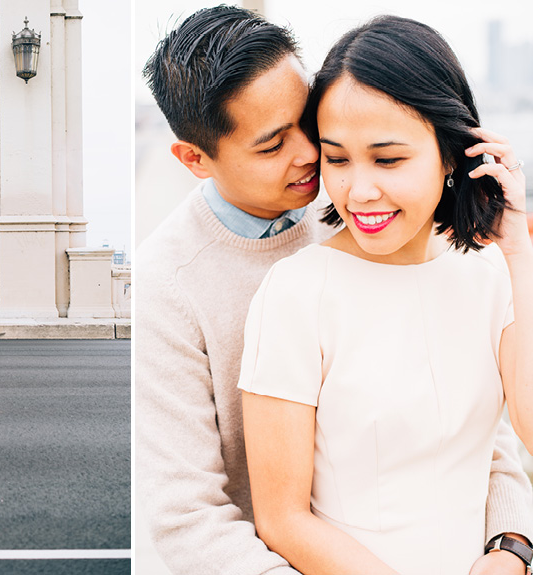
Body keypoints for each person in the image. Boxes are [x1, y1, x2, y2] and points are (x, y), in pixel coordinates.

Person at [136, 6, 533, 575]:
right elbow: (190, 521)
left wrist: (511, 548)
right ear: (195, 159)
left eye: (309, 124)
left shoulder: (377, 218)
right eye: (273, 145)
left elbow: (467, 436)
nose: (311, 157)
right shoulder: (169, 286)